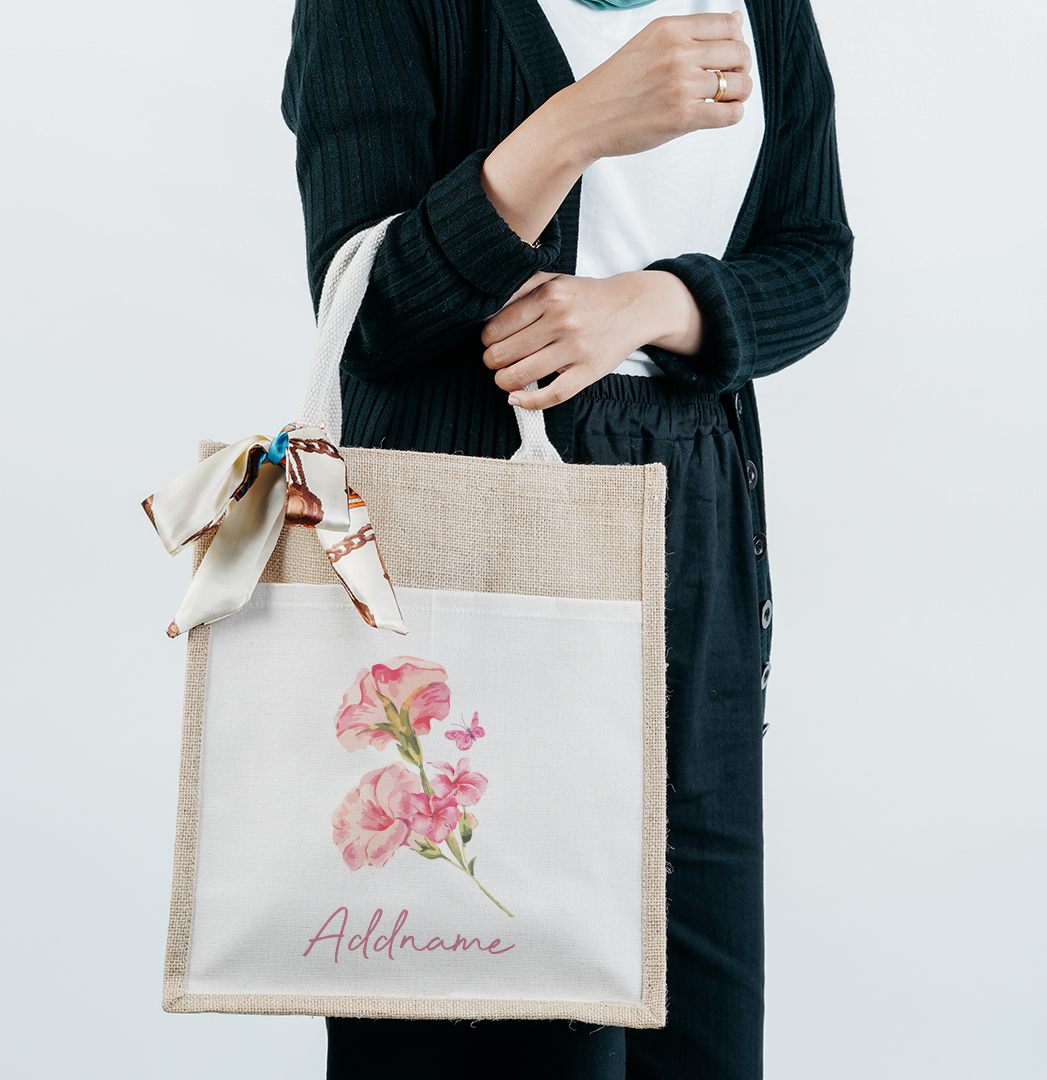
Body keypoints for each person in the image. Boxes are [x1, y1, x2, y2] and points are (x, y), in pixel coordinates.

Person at [282, 0, 852, 1076]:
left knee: (702, 1031)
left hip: (698, 543)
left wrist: (656, 304)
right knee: (496, 1022)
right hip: (473, 550)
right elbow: (369, 318)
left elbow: (816, 257)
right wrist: (573, 128)